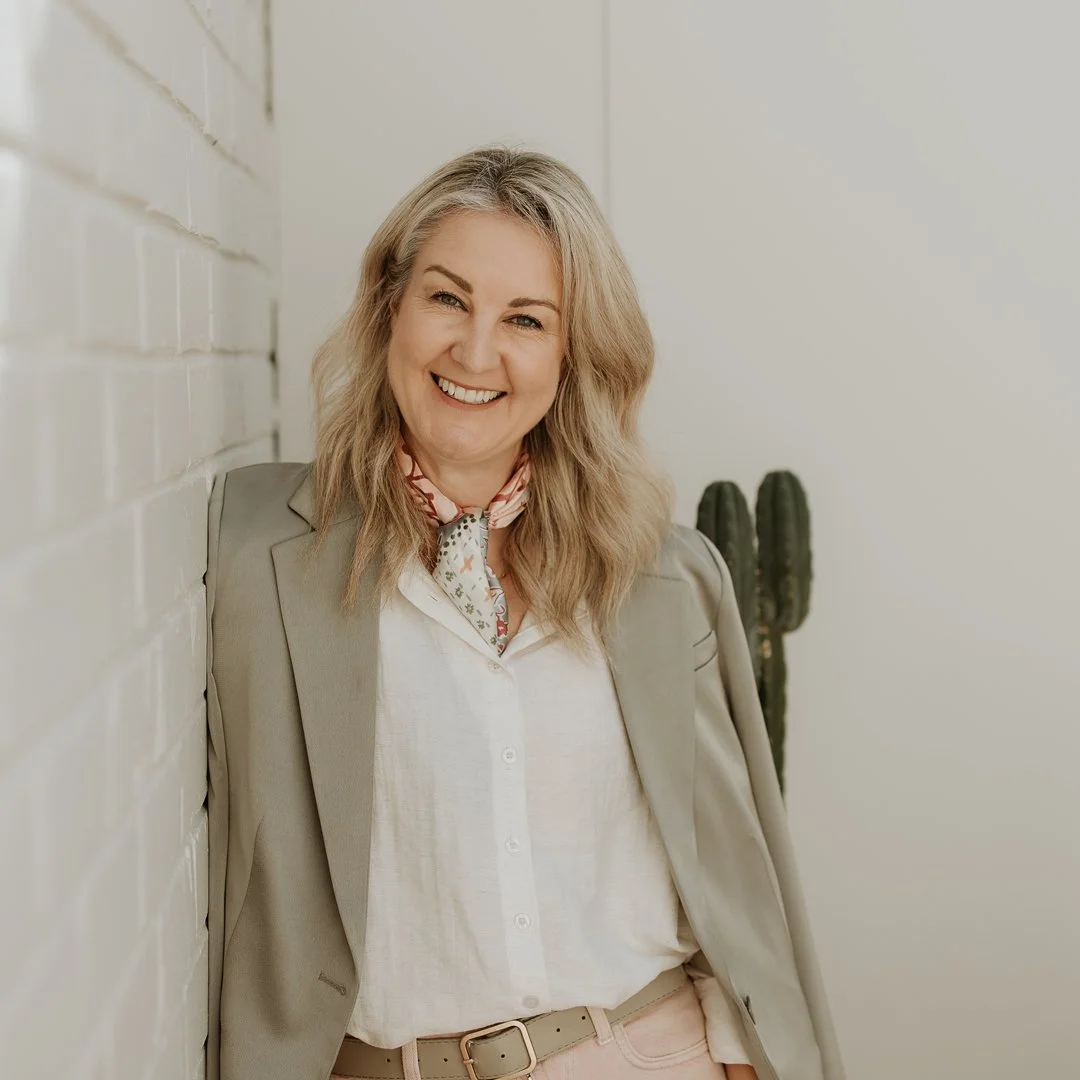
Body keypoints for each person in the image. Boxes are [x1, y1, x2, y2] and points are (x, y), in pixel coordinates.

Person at [205, 146, 846, 1080]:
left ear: (571, 352)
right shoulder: (256, 551)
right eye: (448, 299)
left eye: (526, 319)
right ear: (390, 306)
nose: (475, 352)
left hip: (644, 1055)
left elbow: (734, 891)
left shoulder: (666, 579)